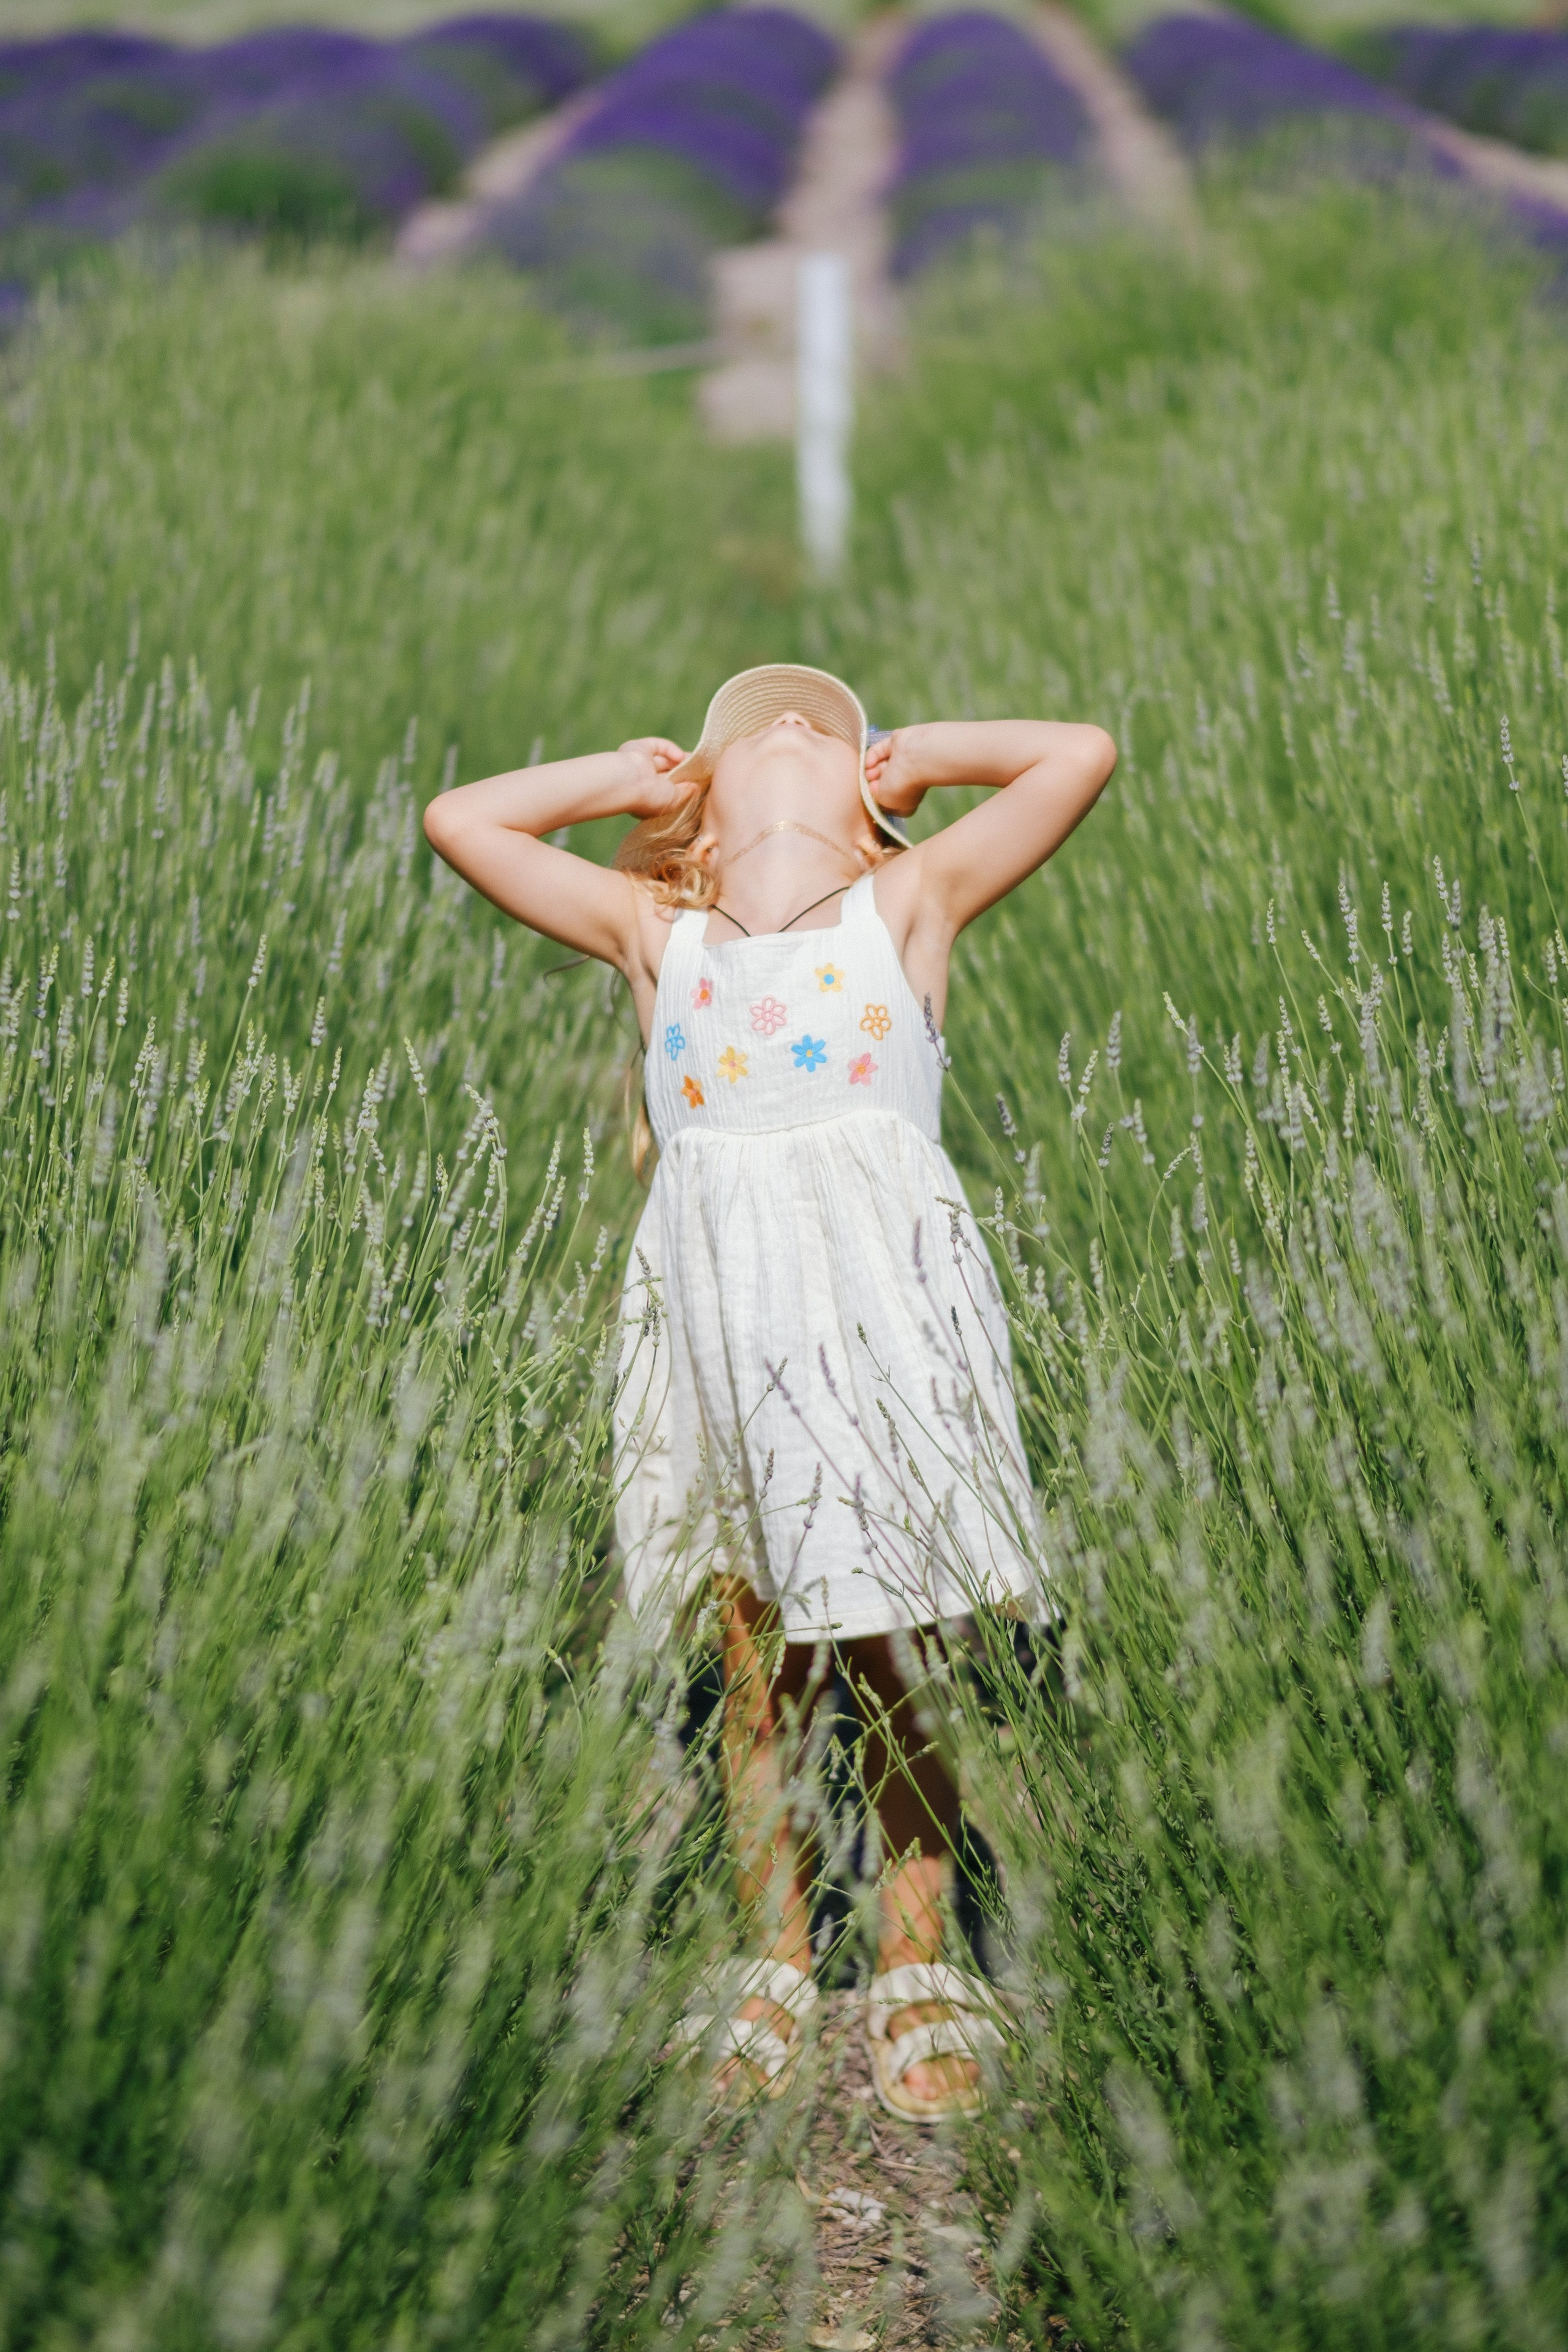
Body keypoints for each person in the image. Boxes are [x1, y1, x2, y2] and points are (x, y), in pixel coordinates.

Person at [424, 665, 1114, 2120]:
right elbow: (460, 819)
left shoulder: (906, 904)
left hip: (880, 1330)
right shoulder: (653, 931)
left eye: (825, 728)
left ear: (869, 809)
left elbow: (1077, 752)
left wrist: (916, 757)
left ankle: (921, 1963)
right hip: (725, 1339)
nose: (791, 734)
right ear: (699, 822)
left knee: (895, 1661)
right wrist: (619, 778)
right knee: (759, 1676)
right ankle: (780, 1964)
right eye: (756, 734)